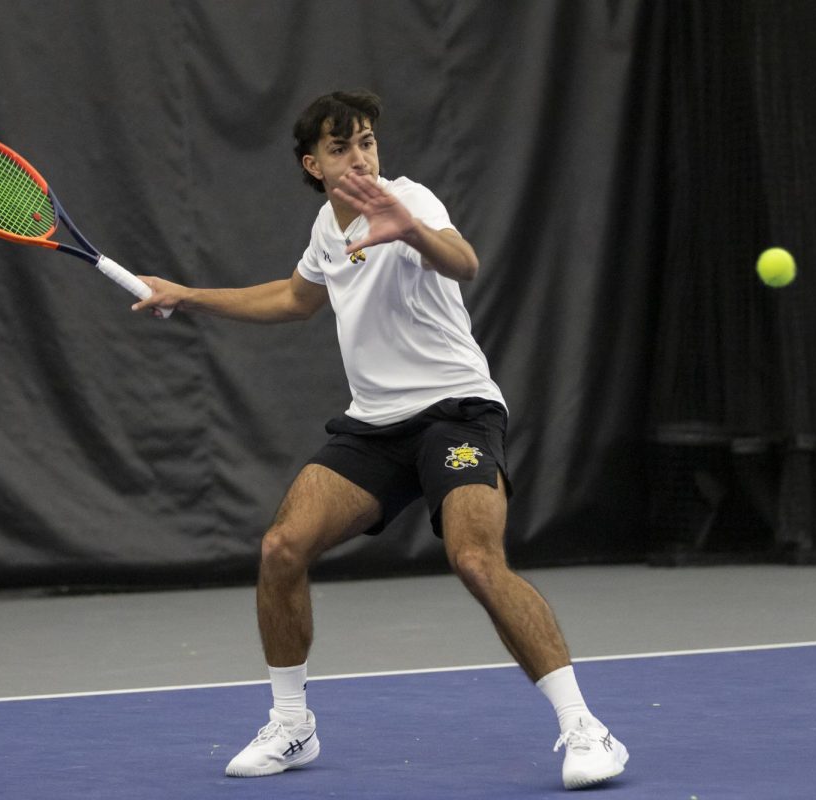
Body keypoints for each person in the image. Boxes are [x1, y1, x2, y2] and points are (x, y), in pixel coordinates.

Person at [132, 90, 628, 790]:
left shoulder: (409, 199)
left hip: (457, 412)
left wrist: (411, 231)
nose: (361, 156)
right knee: (281, 548)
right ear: (314, 164)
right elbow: (297, 298)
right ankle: (291, 725)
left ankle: (585, 728)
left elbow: (464, 263)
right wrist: (188, 294)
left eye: (367, 141)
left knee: (476, 560)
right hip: (375, 424)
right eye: (342, 147)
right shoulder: (324, 229)